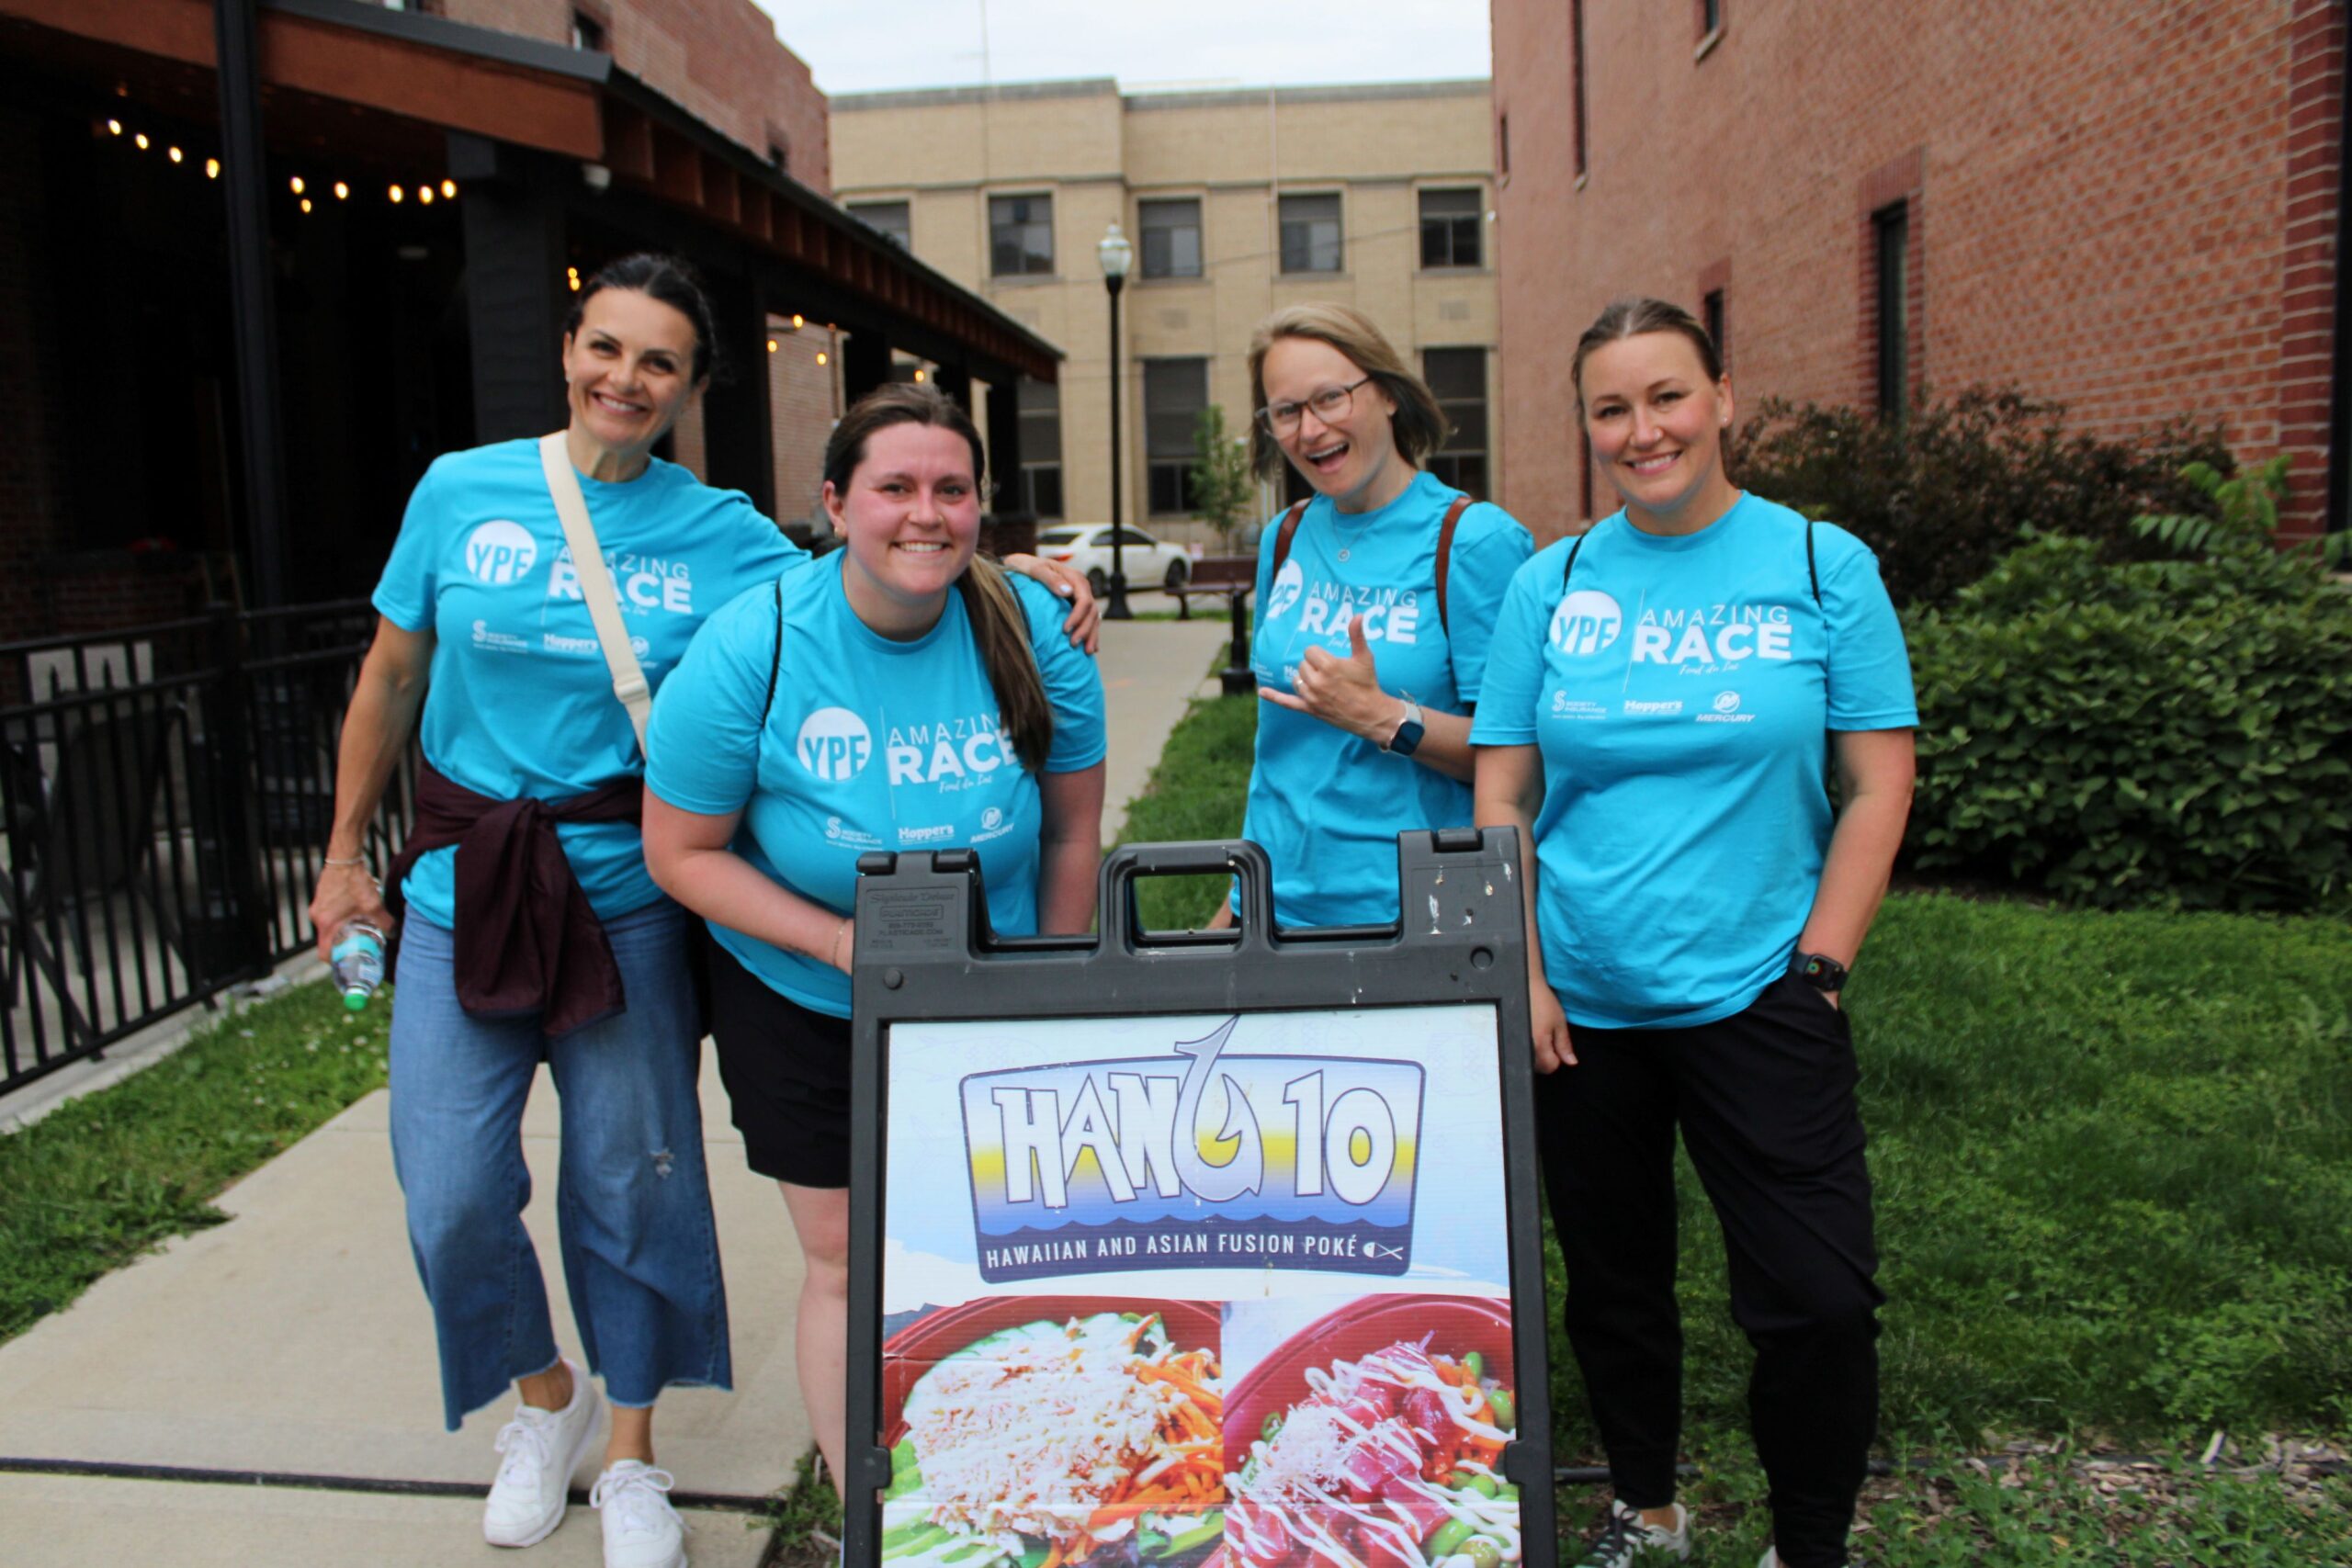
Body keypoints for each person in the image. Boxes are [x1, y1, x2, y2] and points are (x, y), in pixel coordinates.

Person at [306, 255, 1096, 1568]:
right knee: (448, 1189)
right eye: (605, 348)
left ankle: (630, 1450)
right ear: (568, 348)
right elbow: (391, 678)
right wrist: (345, 856)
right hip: (463, 883)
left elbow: (883, 557)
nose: (625, 379)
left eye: (658, 362)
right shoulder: (459, 491)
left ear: (691, 388)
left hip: (627, 891)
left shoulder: (726, 532)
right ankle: (543, 1399)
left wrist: (1013, 574)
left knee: (632, 1181)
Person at [1470, 297, 1917, 1568]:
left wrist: (1820, 965)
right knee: (1613, 1284)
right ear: (1586, 426)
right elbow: (1502, 794)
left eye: (1667, 396)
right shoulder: (1552, 584)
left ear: (1722, 398)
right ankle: (1646, 1504)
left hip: (1762, 985)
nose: (1643, 429)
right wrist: (1525, 972)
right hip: (1582, 1000)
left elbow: (1877, 781)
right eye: (1611, 408)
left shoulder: (1822, 565)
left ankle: (1809, 1542)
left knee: (1818, 1298)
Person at [640, 382, 1107, 1496]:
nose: (925, 514)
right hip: (803, 996)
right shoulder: (753, 645)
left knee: (1005, 1245)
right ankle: (872, 1514)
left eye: (952, 489)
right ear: (836, 502)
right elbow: (681, 852)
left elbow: (1072, 830)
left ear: (981, 505)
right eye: (894, 487)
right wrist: (842, 944)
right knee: (844, 1260)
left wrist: (1054, 986)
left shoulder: (1034, 628)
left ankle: (1018, 1493)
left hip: (988, 992)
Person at [1222, 303, 1532, 930]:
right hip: (1271, 910)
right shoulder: (1285, 536)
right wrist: (1233, 910)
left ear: (1388, 393)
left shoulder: (1471, 541)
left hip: (1415, 917)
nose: (1311, 430)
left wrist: (1385, 717)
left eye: (1330, 398)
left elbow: (1522, 764)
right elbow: (1277, 754)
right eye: (1287, 411)